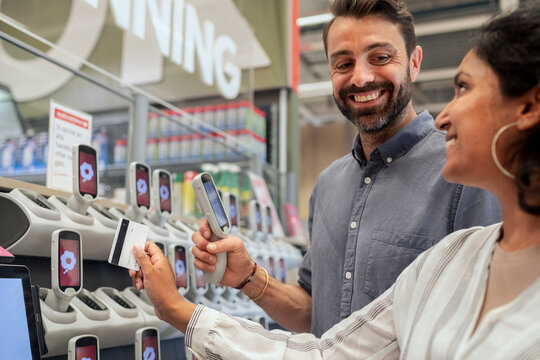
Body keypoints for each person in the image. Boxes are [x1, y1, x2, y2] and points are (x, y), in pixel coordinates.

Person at [130, 6, 540, 358]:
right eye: (343, 63)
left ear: (414, 62)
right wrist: (246, 276)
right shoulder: (332, 187)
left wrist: (178, 310)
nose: (360, 78)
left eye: (380, 57)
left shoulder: (464, 172)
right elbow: (322, 329)